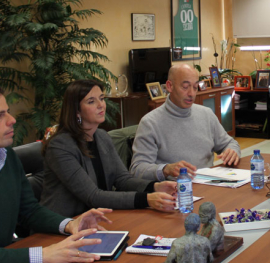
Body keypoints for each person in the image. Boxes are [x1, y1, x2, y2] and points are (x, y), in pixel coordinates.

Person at [0, 84, 111, 263]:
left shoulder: (6, 156)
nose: (12, 120)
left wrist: (69, 224)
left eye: (8, 112)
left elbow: (28, 211)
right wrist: (45, 255)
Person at [41, 80, 177, 218]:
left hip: (97, 218)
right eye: (91, 101)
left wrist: (155, 187)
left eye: (101, 99)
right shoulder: (60, 146)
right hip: (61, 227)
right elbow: (93, 196)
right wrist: (147, 199)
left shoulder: (101, 137)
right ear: (76, 111)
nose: (101, 105)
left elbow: (123, 180)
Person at [130, 64, 241, 181]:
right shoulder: (150, 123)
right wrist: (166, 169)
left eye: (195, 87)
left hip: (209, 184)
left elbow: (229, 143)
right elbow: (137, 169)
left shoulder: (206, 114)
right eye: (185, 87)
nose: (191, 94)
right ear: (169, 86)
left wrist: (232, 151)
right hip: (176, 191)